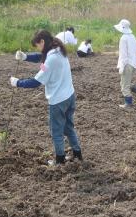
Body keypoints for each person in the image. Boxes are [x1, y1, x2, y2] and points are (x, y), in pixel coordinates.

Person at [12, 30, 83, 166]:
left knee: (56, 131)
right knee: (68, 127)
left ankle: (60, 161)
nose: (38, 48)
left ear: (43, 42)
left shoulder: (51, 59)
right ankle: (77, 154)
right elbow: (41, 57)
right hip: (69, 95)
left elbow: (36, 82)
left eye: (38, 45)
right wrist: (25, 57)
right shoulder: (58, 50)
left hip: (58, 101)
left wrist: (17, 83)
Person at [114, 19, 136, 109]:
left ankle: (128, 104)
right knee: (125, 83)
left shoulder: (123, 38)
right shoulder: (132, 36)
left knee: (124, 85)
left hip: (127, 64)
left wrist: (121, 66)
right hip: (133, 63)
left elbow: (123, 54)